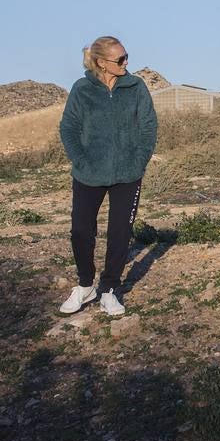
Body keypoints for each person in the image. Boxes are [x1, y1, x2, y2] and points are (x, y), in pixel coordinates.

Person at [57, 35, 158, 317]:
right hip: (88, 173)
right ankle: (86, 285)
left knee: (120, 231)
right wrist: (81, 160)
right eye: (120, 59)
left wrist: (139, 161)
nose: (126, 63)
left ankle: (110, 289)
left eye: (127, 57)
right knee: (80, 231)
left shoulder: (136, 87)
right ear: (101, 63)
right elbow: (68, 128)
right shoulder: (82, 89)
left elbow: (149, 126)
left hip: (128, 173)